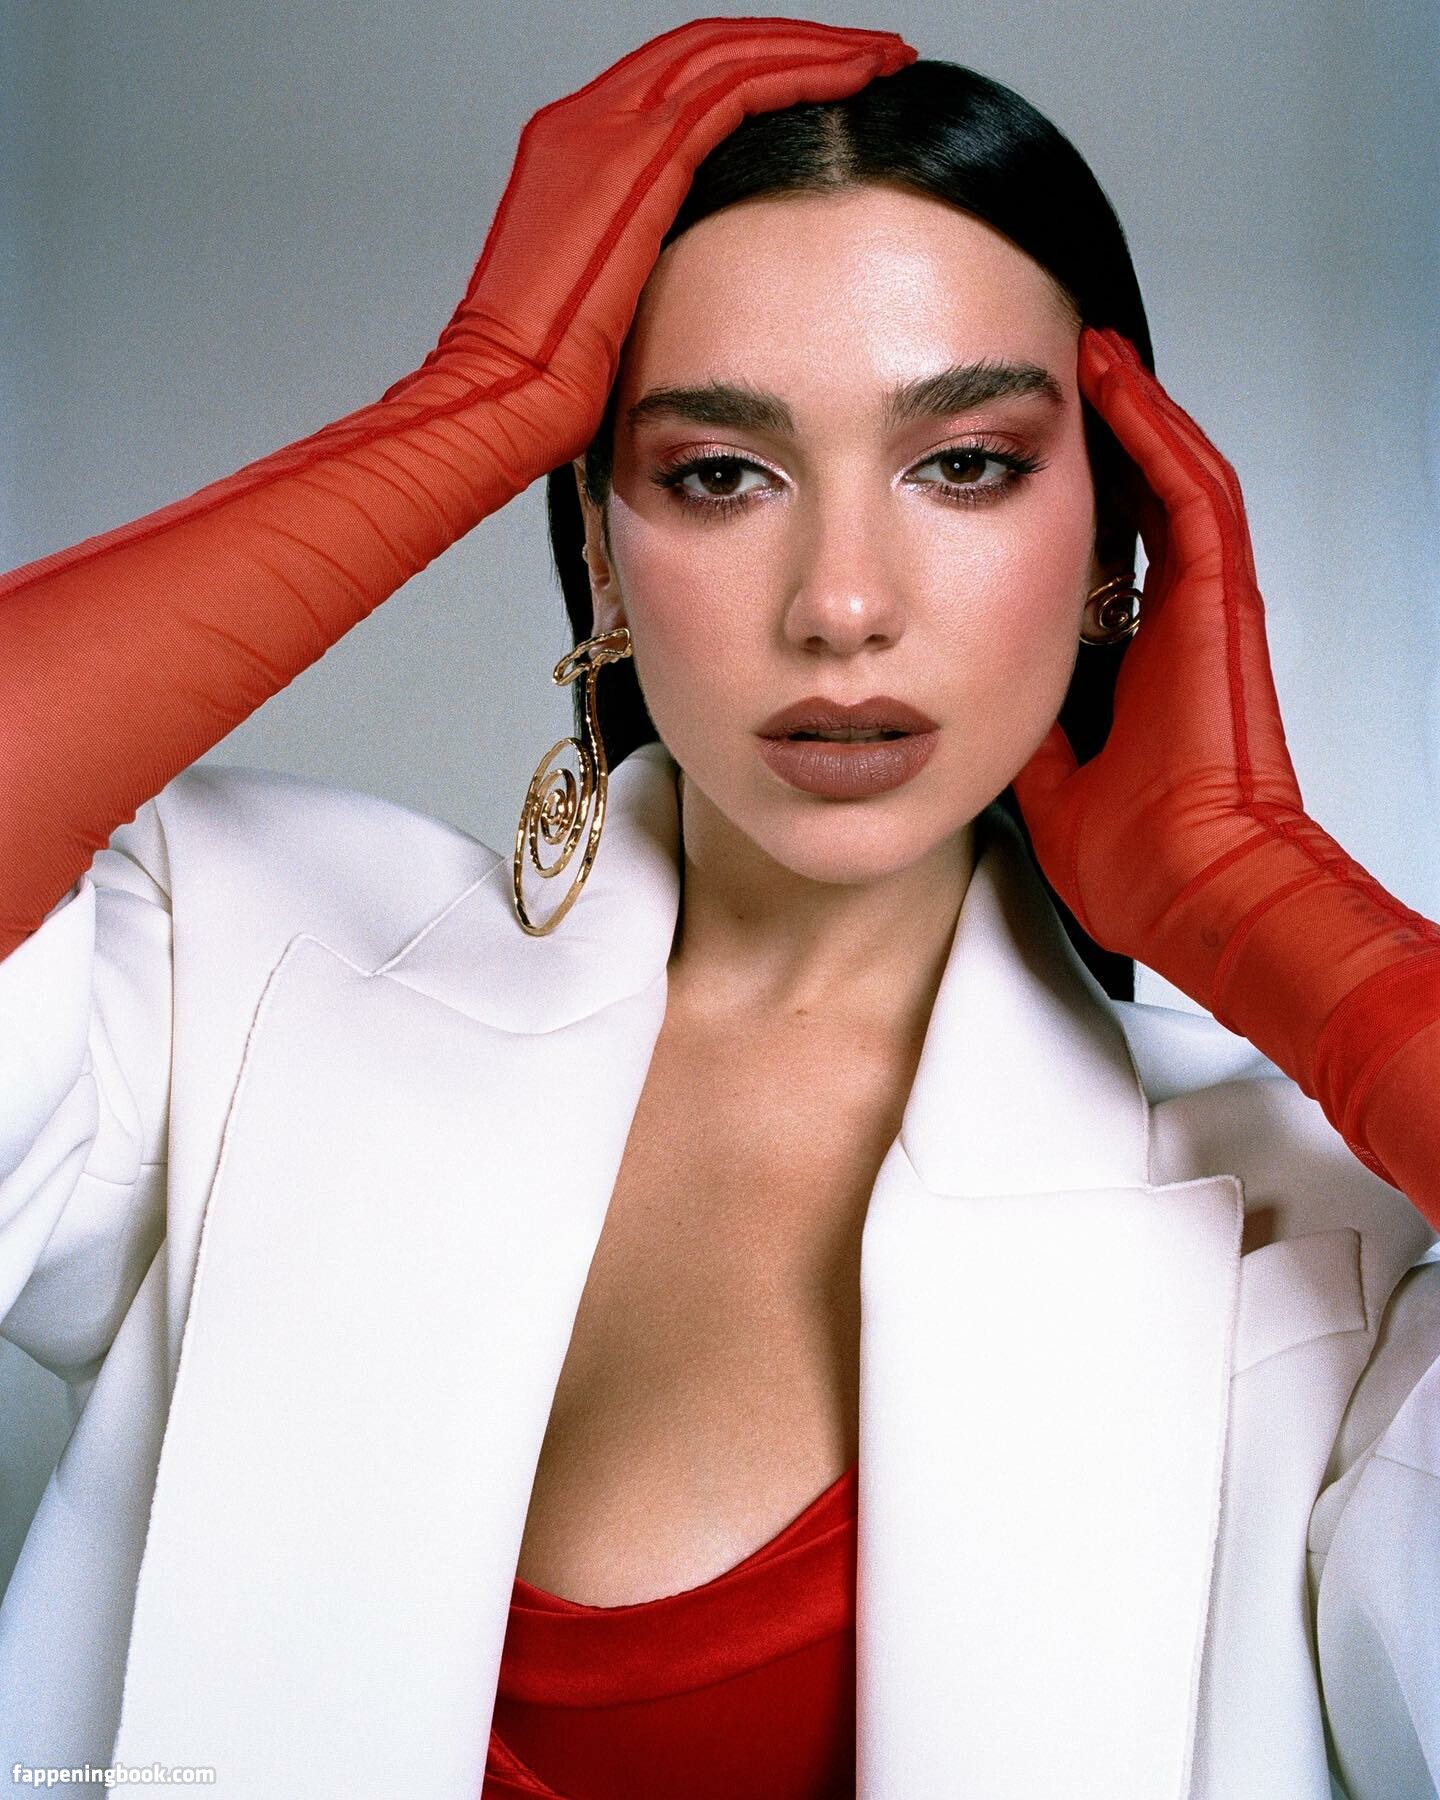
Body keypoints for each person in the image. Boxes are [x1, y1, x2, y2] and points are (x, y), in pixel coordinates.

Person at [1, 16, 1437, 1799]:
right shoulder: (240, 979)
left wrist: (1265, 897)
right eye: (717, 473)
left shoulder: (1312, 1240)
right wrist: (465, 405)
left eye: (965, 463)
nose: (842, 604)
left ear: (1113, 540)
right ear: (599, 544)